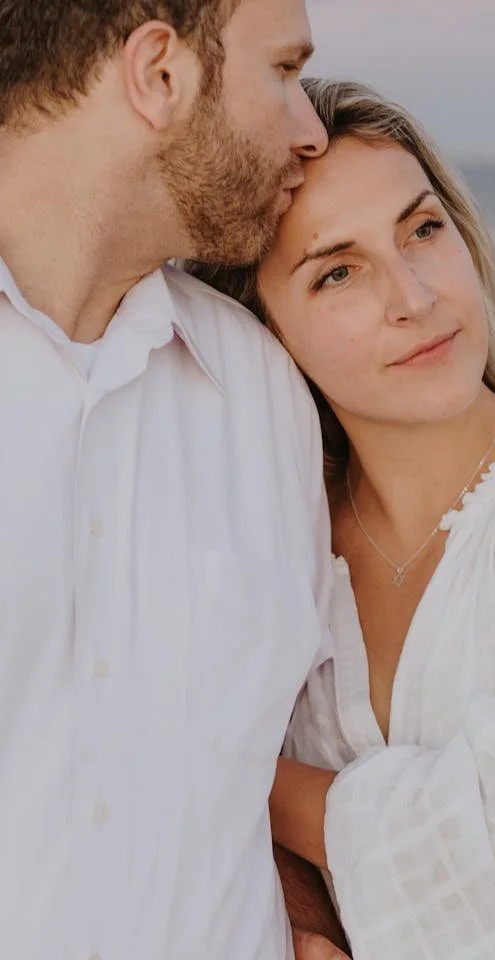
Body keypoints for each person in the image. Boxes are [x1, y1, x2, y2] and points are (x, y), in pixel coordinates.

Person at [192, 78, 495, 959]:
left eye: (422, 229)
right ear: (265, 334)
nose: (414, 297)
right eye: (338, 272)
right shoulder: (273, 563)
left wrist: (242, 780)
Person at [0, 2, 349, 957]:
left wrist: (310, 922)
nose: (310, 128)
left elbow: (271, 749)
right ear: (159, 72)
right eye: (283, 72)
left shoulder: (263, 389)